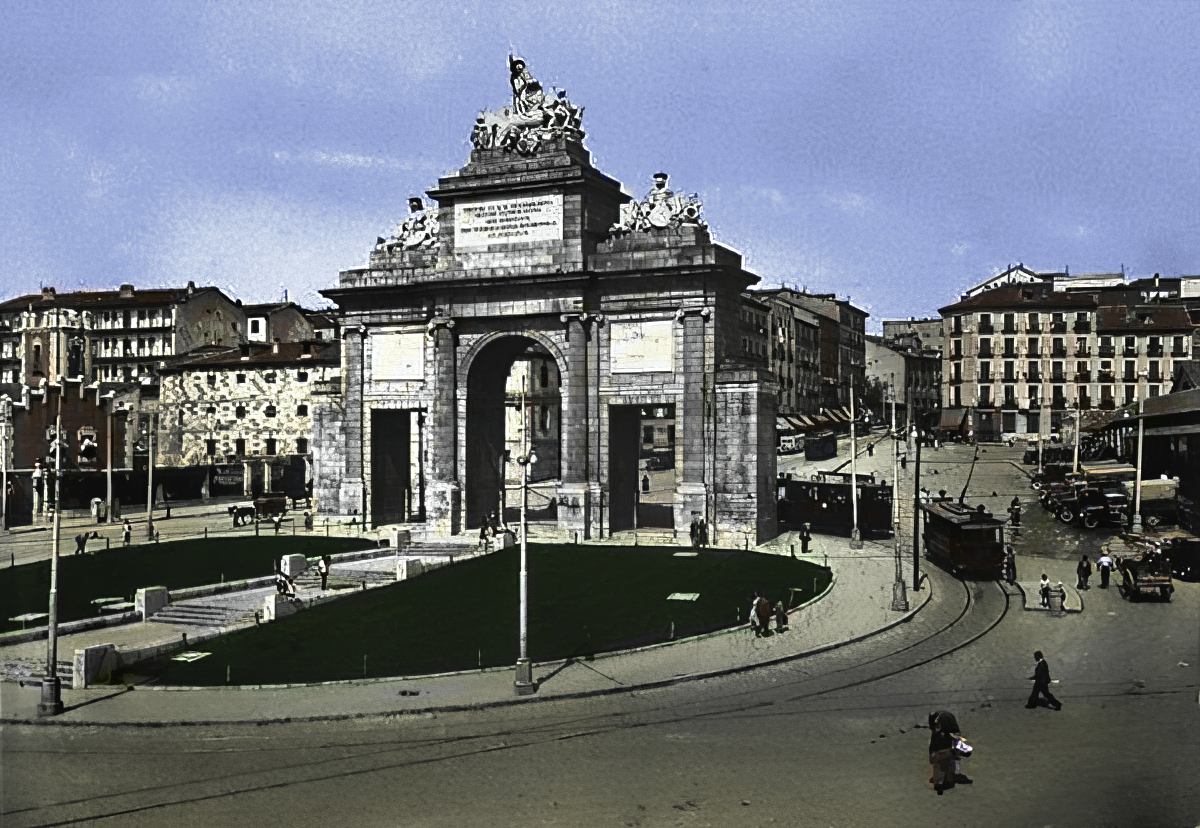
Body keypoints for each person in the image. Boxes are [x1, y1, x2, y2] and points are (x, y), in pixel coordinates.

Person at [928, 711, 972, 787]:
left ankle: (954, 774)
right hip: (939, 753)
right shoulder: (938, 733)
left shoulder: (946, 725)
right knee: (943, 755)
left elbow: (957, 738)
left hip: (946, 746)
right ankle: (940, 779)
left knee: (953, 751)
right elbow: (935, 746)